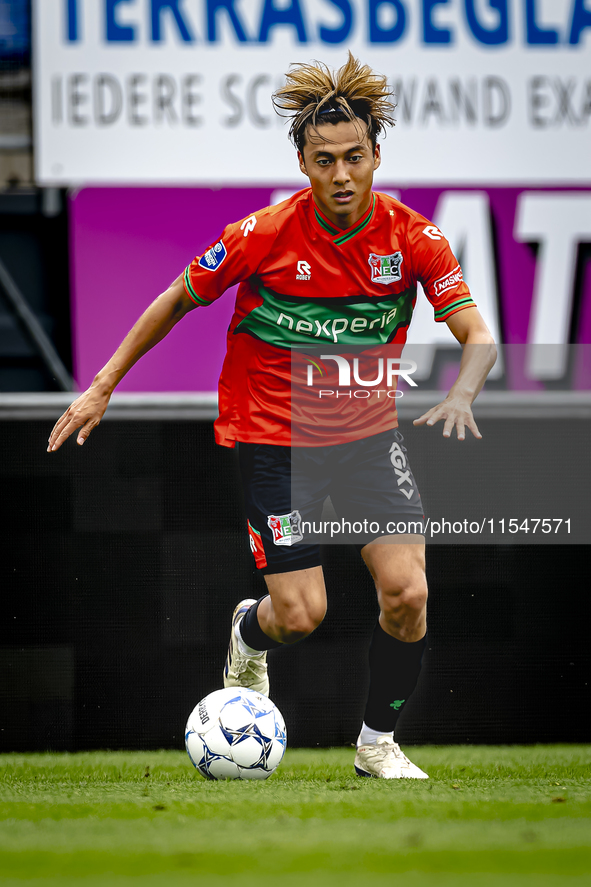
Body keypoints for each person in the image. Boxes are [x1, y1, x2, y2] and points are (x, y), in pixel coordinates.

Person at [48, 53, 496, 779]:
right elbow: (174, 297)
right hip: (275, 443)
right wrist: (103, 384)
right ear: (302, 161)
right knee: (299, 614)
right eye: (325, 160)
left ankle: (375, 745)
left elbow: (478, 335)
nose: (342, 174)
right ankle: (246, 635)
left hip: (366, 440)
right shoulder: (261, 233)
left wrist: (462, 393)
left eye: (355, 157)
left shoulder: (415, 238)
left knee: (408, 592)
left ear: (377, 154)